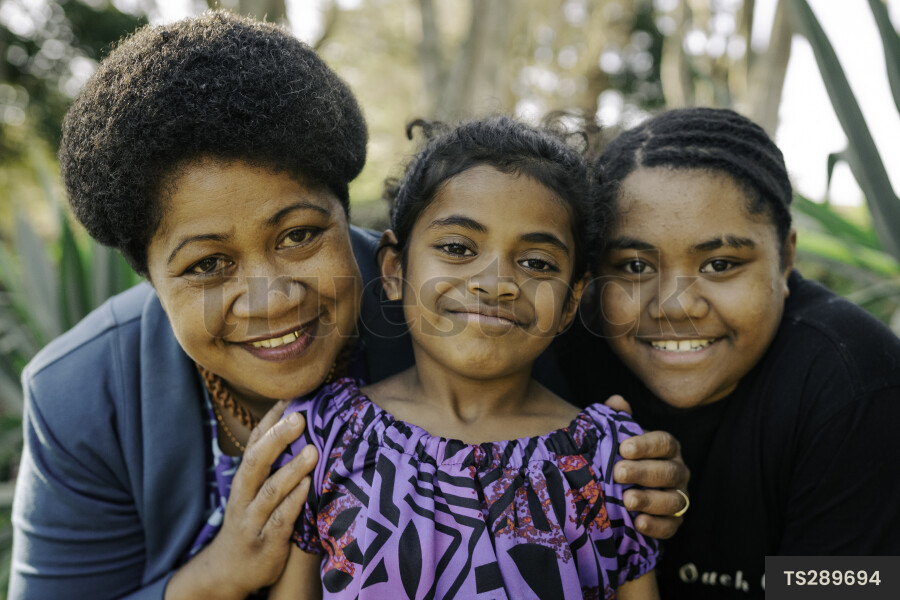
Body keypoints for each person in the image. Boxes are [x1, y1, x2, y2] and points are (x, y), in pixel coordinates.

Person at [9, 12, 686, 600]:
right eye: (208, 264)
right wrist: (218, 575)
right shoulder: (80, 394)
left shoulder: (452, 309)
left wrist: (655, 477)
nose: (272, 298)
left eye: (300, 235)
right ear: (149, 277)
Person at [268, 116, 660, 600]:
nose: (495, 281)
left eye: (537, 263)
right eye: (457, 248)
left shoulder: (607, 459)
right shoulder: (324, 437)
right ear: (394, 269)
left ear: (570, 303)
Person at [557, 107, 900, 599]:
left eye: (719, 264)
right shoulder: (557, 354)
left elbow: (854, 585)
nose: (675, 306)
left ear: (786, 259)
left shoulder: (854, 380)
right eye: (633, 265)